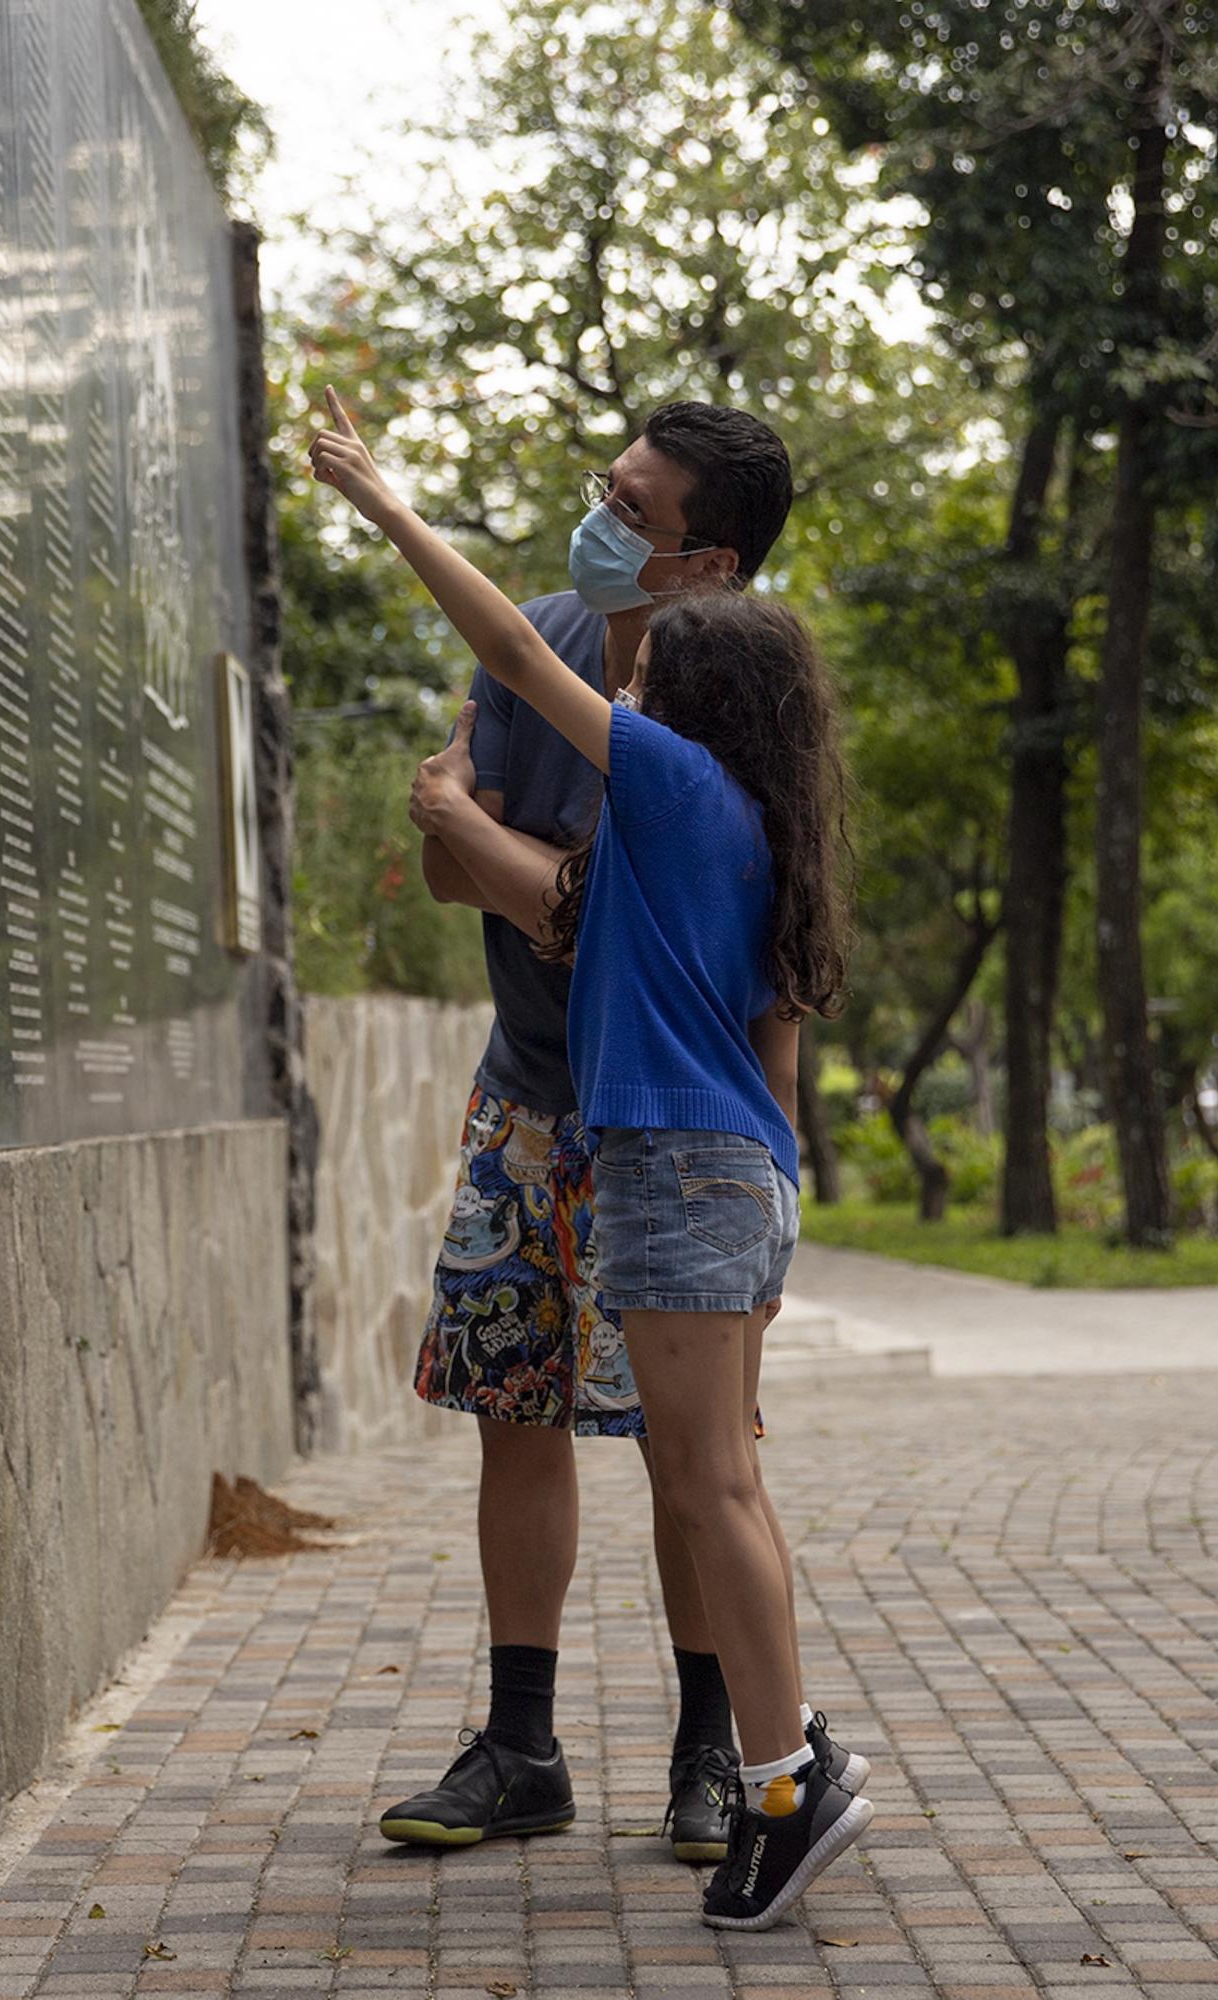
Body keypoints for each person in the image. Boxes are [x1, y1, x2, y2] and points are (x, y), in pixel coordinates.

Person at [312, 396, 871, 1931]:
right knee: (708, 1478)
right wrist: (465, 828)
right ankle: (759, 1768)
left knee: (703, 1482)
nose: (601, 525)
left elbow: (513, 693)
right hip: (683, 1159)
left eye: (637, 508)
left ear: (708, 583)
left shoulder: (672, 784)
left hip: (675, 1171)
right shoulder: (750, 808)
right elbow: (547, 889)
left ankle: (775, 1773)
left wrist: (382, 502)